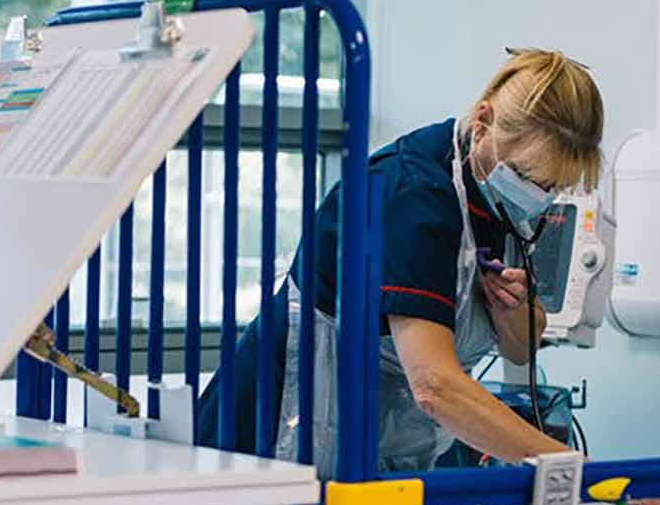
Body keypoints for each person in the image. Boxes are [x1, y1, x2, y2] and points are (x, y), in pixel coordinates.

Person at [197, 48, 604, 478]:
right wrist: (573, 470)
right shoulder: (413, 194)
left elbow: (521, 349)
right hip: (277, 432)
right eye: (525, 176)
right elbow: (435, 386)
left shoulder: (494, 201)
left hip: (377, 439)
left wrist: (514, 313)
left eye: (551, 187)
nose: (536, 196)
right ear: (482, 122)